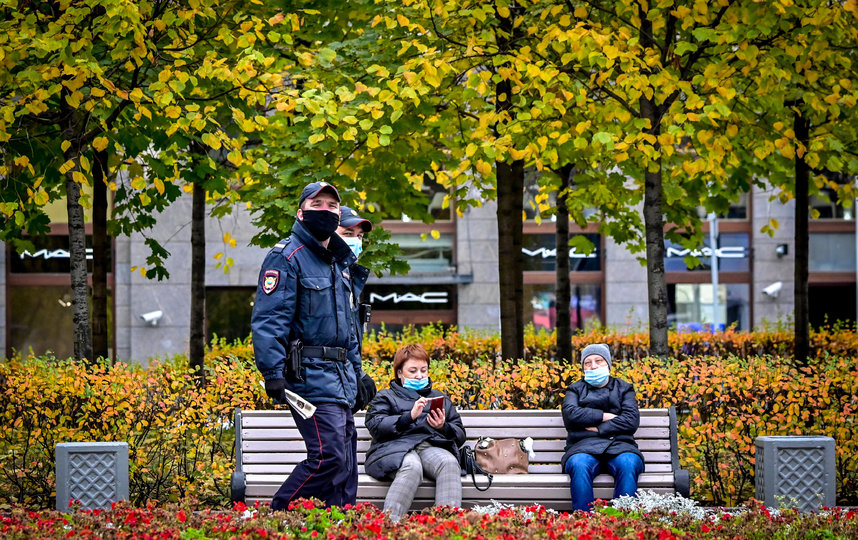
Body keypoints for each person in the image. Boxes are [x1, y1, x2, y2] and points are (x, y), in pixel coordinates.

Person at [251, 181, 368, 510]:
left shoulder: (338, 264)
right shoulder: (286, 257)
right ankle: (277, 515)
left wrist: (358, 375)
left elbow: (348, 332)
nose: (326, 210)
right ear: (301, 212)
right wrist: (273, 371)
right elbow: (269, 319)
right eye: (318, 204)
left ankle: (338, 524)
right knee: (327, 456)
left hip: (341, 377)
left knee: (344, 462)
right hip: (308, 377)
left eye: (333, 206)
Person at [364, 344, 466, 521]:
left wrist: (443, 427)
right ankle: (388, 526)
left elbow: (459, 433)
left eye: (423, 370)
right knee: (412, 467)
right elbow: (376, 425)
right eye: (413, 371)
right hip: (393, 448)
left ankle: (447, 528)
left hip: (429, 446)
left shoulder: (439, 397)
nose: (419, 375)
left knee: (449, 462)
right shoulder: (385, 396)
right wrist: (408, 417)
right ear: (400, 373)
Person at [561, 343, 644, 512]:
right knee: (578, 464)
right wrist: (604, 416)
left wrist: (598, 429)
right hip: (582, 447)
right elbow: (570, 415)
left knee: (628, 463)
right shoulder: (575, 389)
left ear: (608, 364)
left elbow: (631, 420)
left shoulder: (624, 388)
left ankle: (623, 523)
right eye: (588, 362)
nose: (593, 366)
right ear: (583, 367)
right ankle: (583, 523)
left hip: (621, 446)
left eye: (599, 360)